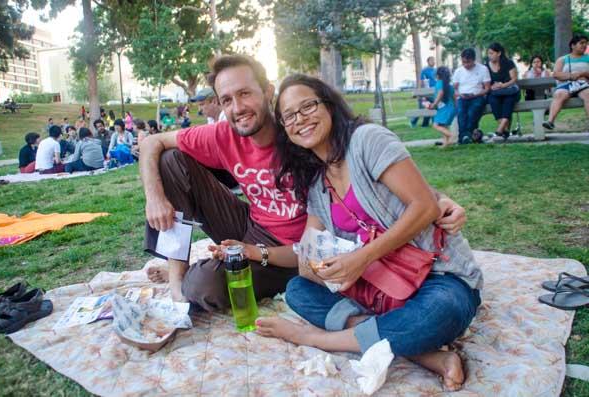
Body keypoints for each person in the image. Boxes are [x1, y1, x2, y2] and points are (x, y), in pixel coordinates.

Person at [140, 54, 467, 309]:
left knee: (203, 289)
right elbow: (150, 142)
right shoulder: (222, 133)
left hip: (296, 252)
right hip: (249, 225)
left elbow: (356, 162)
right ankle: (176, 274)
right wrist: (155, 197)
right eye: (226, 100)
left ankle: (205, 277)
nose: (237, 108)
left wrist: (436, 198)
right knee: (171, 161)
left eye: (245, 94)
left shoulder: (299, 132)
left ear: (267, 92)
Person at [253, 73, 482, 391]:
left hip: (439, 279)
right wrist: (319, 264)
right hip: (379, 292)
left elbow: (425, 206)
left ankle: (319, 338)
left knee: (440, 313)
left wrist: (360, 258)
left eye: (308, 106)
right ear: (284, 129)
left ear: (329, 106)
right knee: (297, 291)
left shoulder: (367, 140)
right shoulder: (318, 185)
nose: (300, 119)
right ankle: (424, 355)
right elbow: (306, 258)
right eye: (289, 115)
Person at [190, 86, 238, 191]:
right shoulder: (211, 119)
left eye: (202, 105)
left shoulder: (228, 118)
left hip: (234, 172)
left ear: (214, 101)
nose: (200, 110)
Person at [543, 35, 589, 130]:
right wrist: (570, 76)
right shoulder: (563, 59)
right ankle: (550, 121)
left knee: (588, 94)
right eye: (581, 43)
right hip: (566, 85)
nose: (584, 45)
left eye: (586, 43)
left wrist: (581, 74)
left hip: (584, 85)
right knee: (559, 94)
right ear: (573, 45)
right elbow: (556, 74)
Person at [453, 48, 491, 144]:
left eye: (468, 62)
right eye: (463, 62)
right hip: (462, 97)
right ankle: (464, 136)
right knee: (461, 113)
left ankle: (467, 135)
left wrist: (475, 94)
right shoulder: (458, 71)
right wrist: (459, 94)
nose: (465, 65)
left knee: (472, 112)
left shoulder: (483, 69)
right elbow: (454, 88)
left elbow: (487, 88)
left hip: (477, 96)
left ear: (474, 60)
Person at [485, 43, 520, 139]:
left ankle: (501, 127)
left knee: (509, 100)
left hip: (510, 91)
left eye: (491, 53)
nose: (489, 56)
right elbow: (485, 81)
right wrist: (491, 87)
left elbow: (514, 79)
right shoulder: (486, 66)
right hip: (496, 93)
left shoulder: (508, 63)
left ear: (499, 53)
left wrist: (502, 85)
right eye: (488, 53)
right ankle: (505, 129)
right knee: (492, 100)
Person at [427, 66, 457, 146]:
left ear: (437, 75)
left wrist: (434, 104)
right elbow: (454, 97)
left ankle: (451, 136)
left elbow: (440, 93)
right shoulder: (449, 85)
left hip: (445, 109)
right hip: (451, 108)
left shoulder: (439, 83)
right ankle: (446, 144)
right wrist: (456, 108)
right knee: (443, 126)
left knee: (436, 125)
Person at [410, 56, 437, 128]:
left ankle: (431, 124)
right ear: (428, 62)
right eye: (432, 60)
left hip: (433, 92)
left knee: (433, 107)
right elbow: (422, 82)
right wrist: (422, 93)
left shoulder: (436, 70)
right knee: (422, 109)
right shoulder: (424, 70)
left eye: (434, 60)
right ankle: (413, 121)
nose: (433, 62)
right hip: (426, 92)